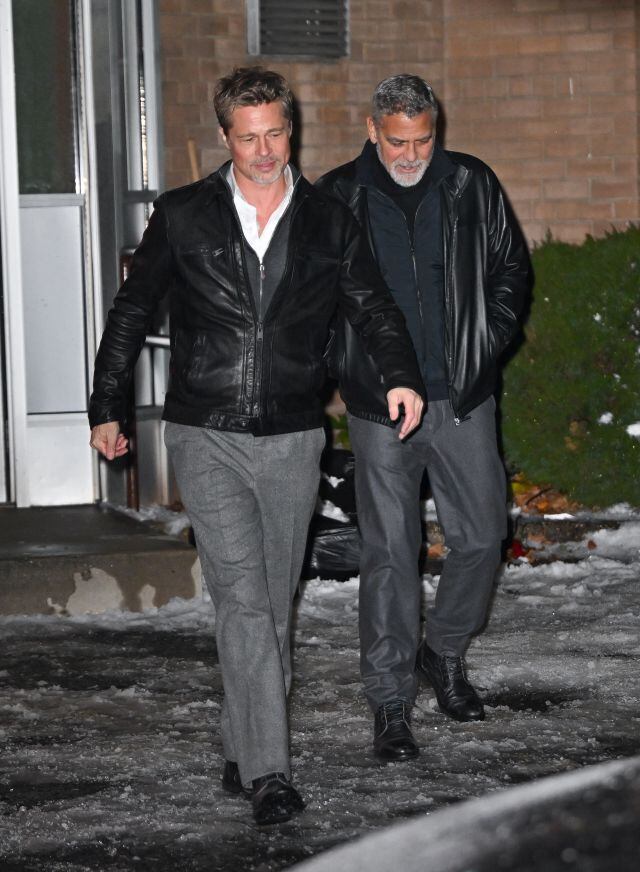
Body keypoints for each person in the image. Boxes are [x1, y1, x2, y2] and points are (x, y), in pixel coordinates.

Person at [88, 67, 424, 824]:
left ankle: (242, 745)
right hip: (206, 430)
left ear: (289, 131)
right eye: (248, 138)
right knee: (243, 601)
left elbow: (372, 306)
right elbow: (132, 309)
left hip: (294, 435)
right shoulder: (183, 214)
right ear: (225, 137)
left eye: (275, 134)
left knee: (272, 607)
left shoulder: (330, 218)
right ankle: (271, 773)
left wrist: (401, 376)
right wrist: (107, 403)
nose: (265, 151)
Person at [316, 74, 529, 761]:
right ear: (372, 130)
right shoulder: (337, 195)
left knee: (482, 536)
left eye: (423, 140)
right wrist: (349, 368)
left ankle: (444, 651)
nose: (411, 155)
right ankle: (389, 700)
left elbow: (510, 270)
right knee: (388, 552)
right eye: (397, 142)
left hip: (462, 397)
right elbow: (315, 298)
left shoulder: (471, 183)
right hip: (380, 406)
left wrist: (483, 345)